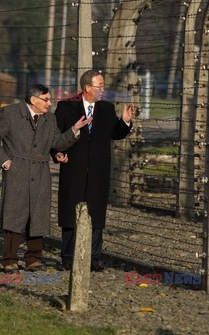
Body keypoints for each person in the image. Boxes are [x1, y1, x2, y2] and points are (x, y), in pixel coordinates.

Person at [0, 83, 91, 273]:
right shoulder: (10, 114)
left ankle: (34, 259)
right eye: (46, 99)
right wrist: (4, 161)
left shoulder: (49, 119)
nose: (50, 103)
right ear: (33, 100)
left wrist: (74, 130)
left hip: (41, 173)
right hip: (17, 171)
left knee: (38, 215)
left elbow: (57, 142)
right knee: (14, 215)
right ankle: (10, 260)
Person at [52, 70, 134, 272]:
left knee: (96, 214)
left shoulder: (106, 108)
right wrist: (56, 154)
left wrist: (124, 122)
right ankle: (68, 257)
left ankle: (94, 258)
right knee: (71, 213)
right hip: (73, 168)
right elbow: (55, 136)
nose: (103, 90)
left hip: (98, 170)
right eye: (100, 86)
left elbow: (115, 133)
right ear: (88, 88)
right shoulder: (66, 107)